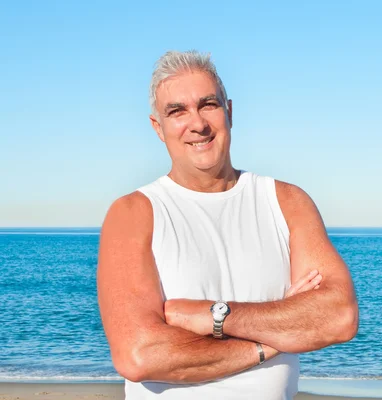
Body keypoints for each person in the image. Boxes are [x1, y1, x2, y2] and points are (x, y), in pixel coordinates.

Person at [96, 50, 359, 400]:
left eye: (208, 104)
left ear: (229, 111)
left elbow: (338, 316)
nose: (198, 124)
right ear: (158, 127)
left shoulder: (286, 202)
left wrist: (214, 316)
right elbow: (139, 354)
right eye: (177, 111)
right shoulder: (135, 213)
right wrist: (273, 340)